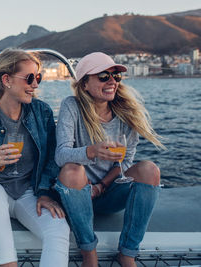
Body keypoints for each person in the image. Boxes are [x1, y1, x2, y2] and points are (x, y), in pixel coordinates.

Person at [0, 48, 70, 267]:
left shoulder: (42, 112)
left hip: (27, 191)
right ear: (6, 80)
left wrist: (45, 192)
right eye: (29, 78)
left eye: (38, 77)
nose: (36, 85)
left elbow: (51, 159)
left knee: (57, 228)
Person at [54, 52, 165, 267]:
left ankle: (128, 253)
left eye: (116, 76)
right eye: (103, 76)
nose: (112, 81)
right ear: (84, 83)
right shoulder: (72, 106)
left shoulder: (126, 114)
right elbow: (61, 155)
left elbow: (125, 163)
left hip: (108, 193)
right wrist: (92, 151)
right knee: (71, 170)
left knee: (149, 170)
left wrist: (102, 186)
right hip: (76, 195)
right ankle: (89, 253)